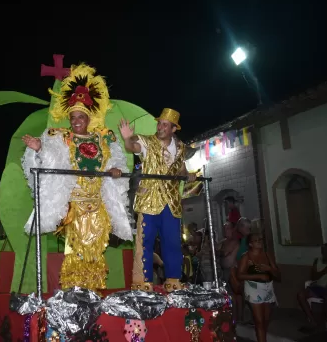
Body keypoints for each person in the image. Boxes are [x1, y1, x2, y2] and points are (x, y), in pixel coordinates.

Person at [22, 64, 133, 292]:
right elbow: (54, 159)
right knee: (76, 248)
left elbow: (116, 161)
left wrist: (116, 170)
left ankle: (93, 291)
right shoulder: (63, 138)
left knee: (97, 248)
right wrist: (40, 146)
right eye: (73, 117)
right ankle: (75, 292)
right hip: (76, 205)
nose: (76, 121)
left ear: (88, 118)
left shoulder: (103, 139)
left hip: (98, 203)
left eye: (80, 117)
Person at [120, 109, 196, 292]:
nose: (160, 127)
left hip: (171, 203)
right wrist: (128, 138)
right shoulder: (148, 141)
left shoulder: (181, 148)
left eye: (164, 124)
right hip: (149, 202)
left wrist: (188, 175)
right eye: (159, 123)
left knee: (172, 242)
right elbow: (133, 148)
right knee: (145, 242)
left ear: (173, 129)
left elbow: (181, 170)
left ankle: (173, 282)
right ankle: (142, 283)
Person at [237, 233, 279, 342]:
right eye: (256, 240)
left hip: (268, 288)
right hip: (253, 288)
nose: (259, 241)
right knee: (259, 320)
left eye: (260, 239)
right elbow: (240, 275)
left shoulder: (267, 255)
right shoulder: (246, 257)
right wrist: (259, 275)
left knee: (265, 320)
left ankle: (262, 337)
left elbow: (278, 275)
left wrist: (269, 269)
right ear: (250, 244)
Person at [297, 243, 327, 327]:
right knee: (301, 295)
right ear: (322, 252)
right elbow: (313, 277)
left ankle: (324, 318)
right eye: (325, 251)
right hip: (318, 286)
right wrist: (325, 271)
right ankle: (312, 319)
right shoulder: (317, 261)